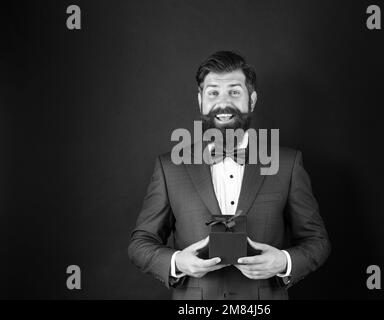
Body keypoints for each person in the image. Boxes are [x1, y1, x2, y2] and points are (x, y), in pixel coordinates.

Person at [128, 51, 331, 300]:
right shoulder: (169, 167)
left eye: (234, 92)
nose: (223, 103)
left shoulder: (288, 163)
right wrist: (177, 261)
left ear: (252, 100)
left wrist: (284, 261)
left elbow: (317, 241)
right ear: (201, 100)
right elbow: (140, 243)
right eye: (213, 92)